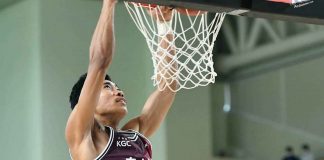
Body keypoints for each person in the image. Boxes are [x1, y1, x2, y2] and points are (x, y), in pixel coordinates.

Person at [65, 0, 176, 159]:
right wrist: (109, 4)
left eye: (116, 87)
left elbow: (168, 87)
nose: (118, 91)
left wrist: (164, 24)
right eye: (107, 86)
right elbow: (99, 62)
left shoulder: (134, 135)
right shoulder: (83, 137)